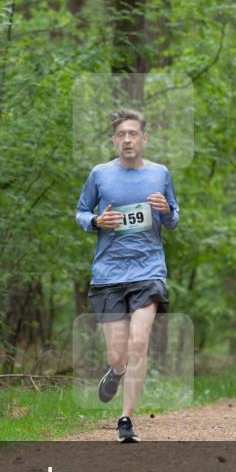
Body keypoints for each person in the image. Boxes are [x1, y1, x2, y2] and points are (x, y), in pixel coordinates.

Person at [76, 109, 180, 442]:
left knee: (139, 343)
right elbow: (81, 212)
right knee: (117, 354)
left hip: (148, 271)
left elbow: (173, 218)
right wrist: (96, 221)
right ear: (114, 140)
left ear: (144, 138)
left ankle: (126, 419)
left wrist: (166, 210)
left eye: (133, 134)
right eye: (121, 135)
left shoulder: (160, 174)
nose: (127, 140)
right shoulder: (100, 174)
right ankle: (116, 370)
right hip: (108, 274)